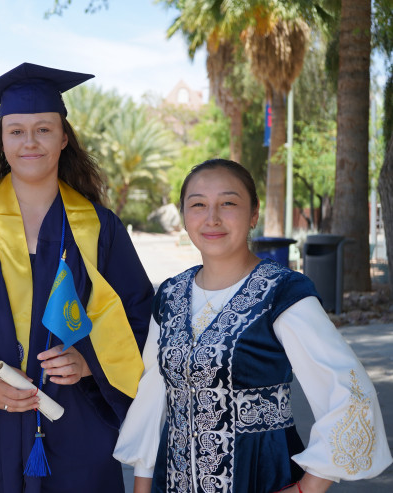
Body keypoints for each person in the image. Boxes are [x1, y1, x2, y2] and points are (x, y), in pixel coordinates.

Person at [0, 63, 155, 492]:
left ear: (64, 138)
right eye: (16, 131)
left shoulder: (99, 227)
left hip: (75, 426)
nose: (30, 142)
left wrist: (91, 362)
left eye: (43, 129)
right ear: (0, 140)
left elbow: (138, 315)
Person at [114, 159, 392, 493]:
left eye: (228, 203)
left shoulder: (283, 292)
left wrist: (307, 488)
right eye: (198, 205)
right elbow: (151, 399)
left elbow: (351, 393)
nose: (212, 218)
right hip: (173, 482)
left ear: (254, 213)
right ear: (184, 215)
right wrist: (142, 486)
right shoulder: (170, 295)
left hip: (259, 476)